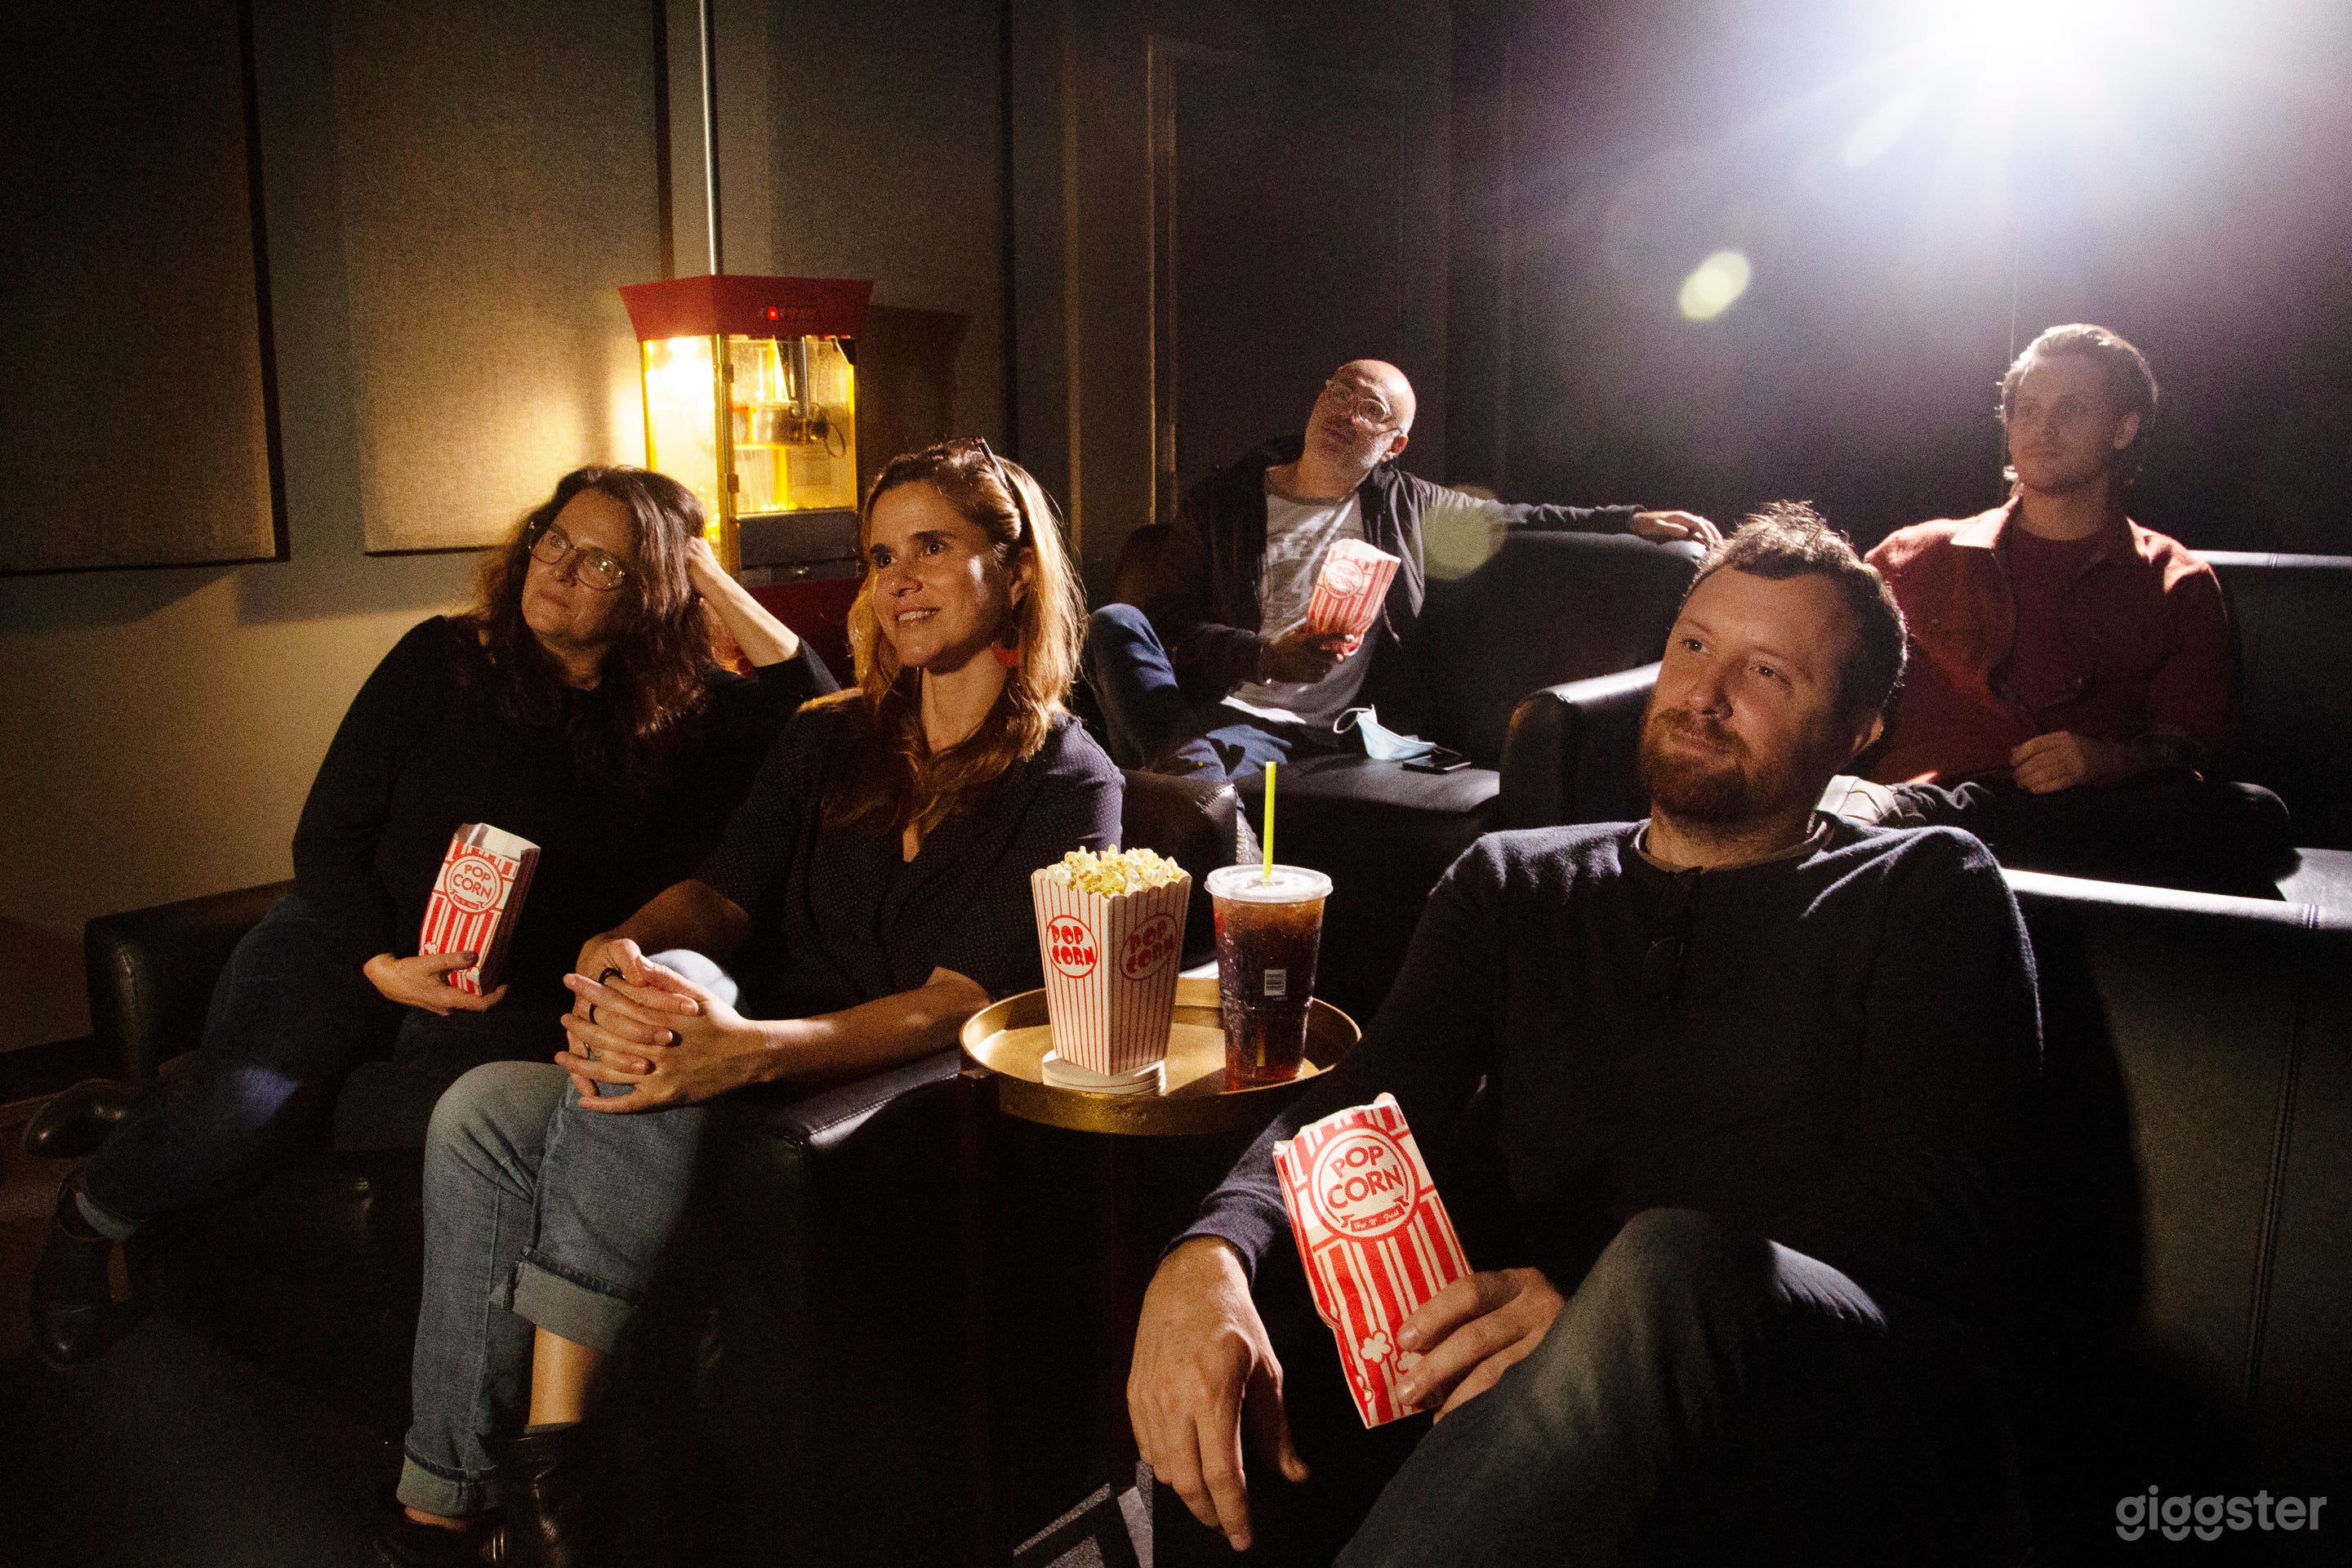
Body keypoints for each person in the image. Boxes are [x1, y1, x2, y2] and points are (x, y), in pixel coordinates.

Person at [1128, 505, 2042, 1564]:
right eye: (1694, 646)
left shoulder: (1931, 888)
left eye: (1767, 674)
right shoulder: (1514, 881)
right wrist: (1210, 1251)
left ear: (1858, 731)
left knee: (1668, 1266)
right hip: (1540, 1399)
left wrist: (1605, 1317)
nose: (1703, 693)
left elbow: (1932, 1218)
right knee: (1238, 1310)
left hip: (1826, 1396)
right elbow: (1364, 1104)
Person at [376, 440, 1120, 1567]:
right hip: (725, 1062)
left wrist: (745, 1051)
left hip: (872, 1108)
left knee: (671, 1029)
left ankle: (552, 1460)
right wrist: (625, 941)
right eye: (881, 555)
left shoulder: (1072, 779)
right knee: (478, 1108)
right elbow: (721, 897)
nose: (899, 579)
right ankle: (445, 1506)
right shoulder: (828, 735)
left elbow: (957, 1007)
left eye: (934, 547)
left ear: (1014, 571)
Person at [29, 466, 832, 1369]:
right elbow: (327, 839)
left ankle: (161, 1106)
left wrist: (711, 573)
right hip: (346, 939)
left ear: (655, 593)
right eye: (555, 539)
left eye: (603, 564)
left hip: (501, 994)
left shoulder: (687, 717)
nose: (559, 569)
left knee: (429, 1120)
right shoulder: (439, 661)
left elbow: (813, 704)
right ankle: (87, 1221)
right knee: (251, 1105)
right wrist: (378, 961)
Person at [1084, 359, 1722, 784]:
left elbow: (1520, 516)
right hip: (1225, 707)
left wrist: (1629, 519)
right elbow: (1167, 629)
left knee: (1182, 776)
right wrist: (1264, 656)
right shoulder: (1224, 501)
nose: (1347, 412)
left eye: (1372, 410)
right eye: (1340, 392)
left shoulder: (1408, 504)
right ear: (1318, 398)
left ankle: (1174, 778)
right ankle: (1182, 766)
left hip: (1315, 732)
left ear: (1393, 444)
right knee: (1115, 623)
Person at [1857, 323, 2290, 892]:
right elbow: (1806, 636)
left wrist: (2106, 761)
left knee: (2254, 810)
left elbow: (2196, 742)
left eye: (2072, 409)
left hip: (2086, 821)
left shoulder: (2176, 578)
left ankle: (1960, 834)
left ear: (2124, 427)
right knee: (1922, 818)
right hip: (1928, 817)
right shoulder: (1916, 554)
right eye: (2028, 410)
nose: (2043, 428)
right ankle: (1937, 831)